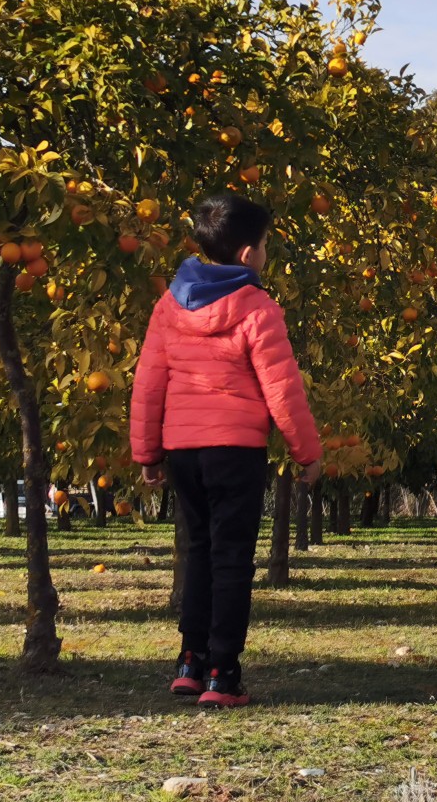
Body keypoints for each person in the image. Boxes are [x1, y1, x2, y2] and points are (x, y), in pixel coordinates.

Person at [130, 193, 322, 708]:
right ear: (246, 255)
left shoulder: (169, 304)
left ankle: (190, 662)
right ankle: (223, 672)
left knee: (199, 555)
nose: (265, 254)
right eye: (264, 245)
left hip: (184, 452)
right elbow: (283, 390)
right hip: (235, 451)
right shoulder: (257, 308)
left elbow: (149, 384)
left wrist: (147, 454)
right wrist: (307, 453)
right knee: (233, 561)